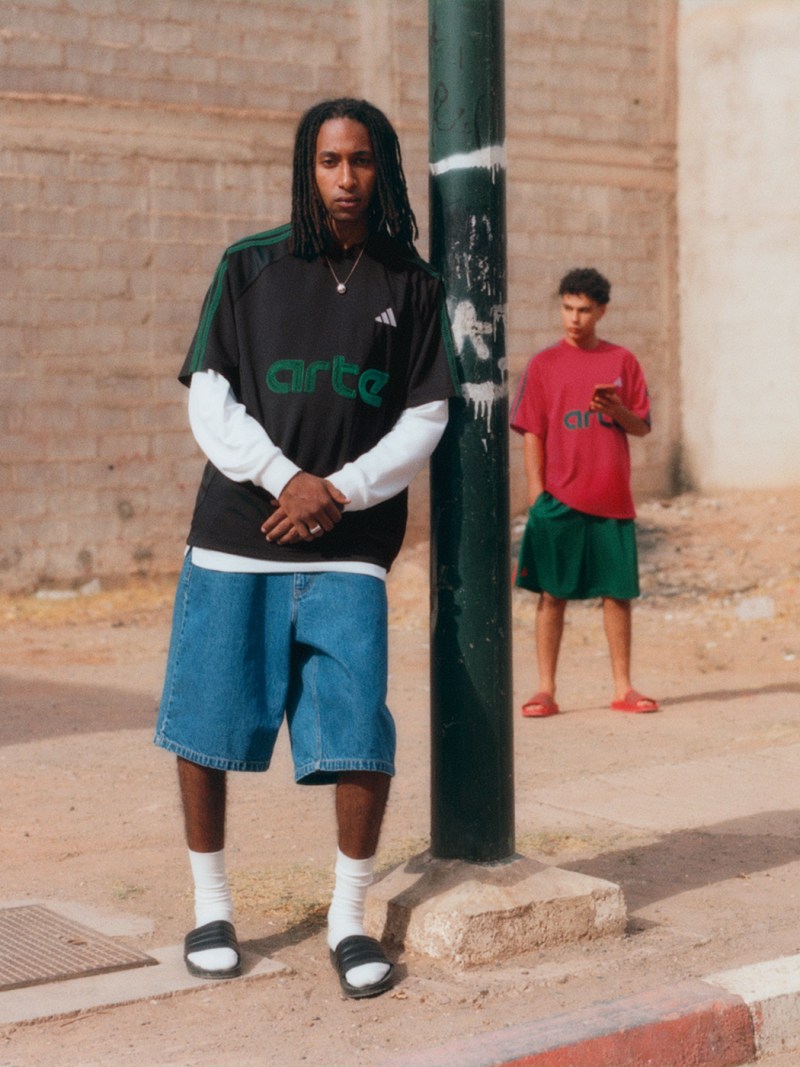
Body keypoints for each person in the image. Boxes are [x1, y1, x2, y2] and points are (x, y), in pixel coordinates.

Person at [154, 97, 457, 999]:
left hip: (349, 546)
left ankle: (349, 919)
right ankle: (212, 908)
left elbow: (426, 417)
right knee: (207, 726)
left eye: (361, 160)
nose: (346, 178)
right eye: (330, 161)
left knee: (358, 735)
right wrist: (286, 478)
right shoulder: (249, 265)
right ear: (307, 167)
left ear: (383, 169)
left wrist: (339, 490)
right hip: (238, 538)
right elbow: (211, 398)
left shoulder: (413, 283)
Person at [510, 267, 658, 718]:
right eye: (568, 308)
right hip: (558, 500)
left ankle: (623, 688)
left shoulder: (623, 361)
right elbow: (532, 432)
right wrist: (537, 496)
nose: (574, 318)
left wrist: (616, 408)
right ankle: (545, 689)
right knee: (551, 594)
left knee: (617, 595)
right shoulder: (544, 364)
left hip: (612, 499)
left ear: (602, 312)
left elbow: (642, 427)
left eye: (584, 310)